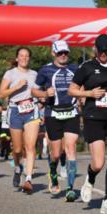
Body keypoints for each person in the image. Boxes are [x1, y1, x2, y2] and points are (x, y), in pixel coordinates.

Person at [69, 33, 107, 214]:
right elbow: (71, 90)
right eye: (100, 51)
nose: (103, 54)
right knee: (98, 163)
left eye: (106, 51)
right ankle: (90, 178)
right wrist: (88, 94)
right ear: (95, 49)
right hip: (94, 117)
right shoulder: (87, 67)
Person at [33, 40, 81, 200]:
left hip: (71, 112)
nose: (63, 56)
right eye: (60, 53)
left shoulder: (75, 69)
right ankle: (53, 172)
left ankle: (70, 188)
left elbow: (83, 86)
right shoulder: (45, 70)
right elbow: (34, 90)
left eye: (65, 53)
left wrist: (82, 96)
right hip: (53, 114)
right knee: (56, 153)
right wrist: (45, 94)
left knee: (71, 148)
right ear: (53, 53)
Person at [0, 47, 40, 194]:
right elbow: (1, 94)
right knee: (17, 149)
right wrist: (16, 87)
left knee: (30, 146)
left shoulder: (35, 74)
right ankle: (17, 167)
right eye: (21, 56)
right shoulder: (10, 73)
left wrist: (42, 97)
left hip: (31, 110)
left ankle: (28, 179)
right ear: (17, 58)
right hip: (15, 110)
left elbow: (37, 91)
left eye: (27, 56)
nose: (24, 58)